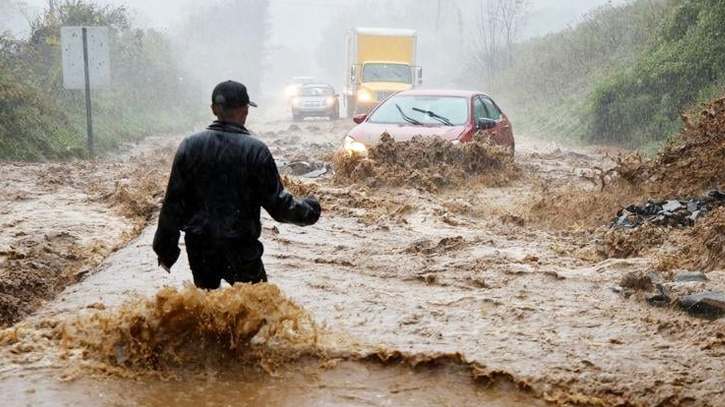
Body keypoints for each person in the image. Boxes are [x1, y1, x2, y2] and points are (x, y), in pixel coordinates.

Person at [153, 80, 321, 289]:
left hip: (200, 249)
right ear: (245, 110)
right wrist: (311, 208)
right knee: (256, 310)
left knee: (207, 309)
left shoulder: (189, 146)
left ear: (214, 109)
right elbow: (279, 207)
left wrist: (165, 251)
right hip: (241, 249)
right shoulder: (255, 150)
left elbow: (173, 204)